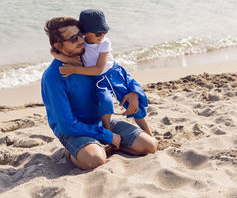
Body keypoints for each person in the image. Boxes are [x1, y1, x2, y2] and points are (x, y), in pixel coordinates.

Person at [41, 17, 157, 170]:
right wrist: (108, 136)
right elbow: (67, 125)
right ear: (58, 45)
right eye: (74, 38)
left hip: (100, 122)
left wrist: (134, 92)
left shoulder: (91, 60)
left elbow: (119, 73)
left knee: (149, 146)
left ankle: (104, 146)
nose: (81, 40)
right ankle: (73, 152)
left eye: (81, 35)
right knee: (94, 160)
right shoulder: (53, 76)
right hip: (72, 131)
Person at [58, 9, 153, 136]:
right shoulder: (81, 45)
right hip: (98, 81)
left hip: (113, 74)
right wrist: (54, 52)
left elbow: (98, 68)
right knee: (105, 102)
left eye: (105, 32)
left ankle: (148, 132)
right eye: (98, 33)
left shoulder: (104, 43)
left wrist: (74, 70)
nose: (102, 36)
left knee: (135, 106)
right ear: (85, 33)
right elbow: (58, 53)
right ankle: (107, 130)